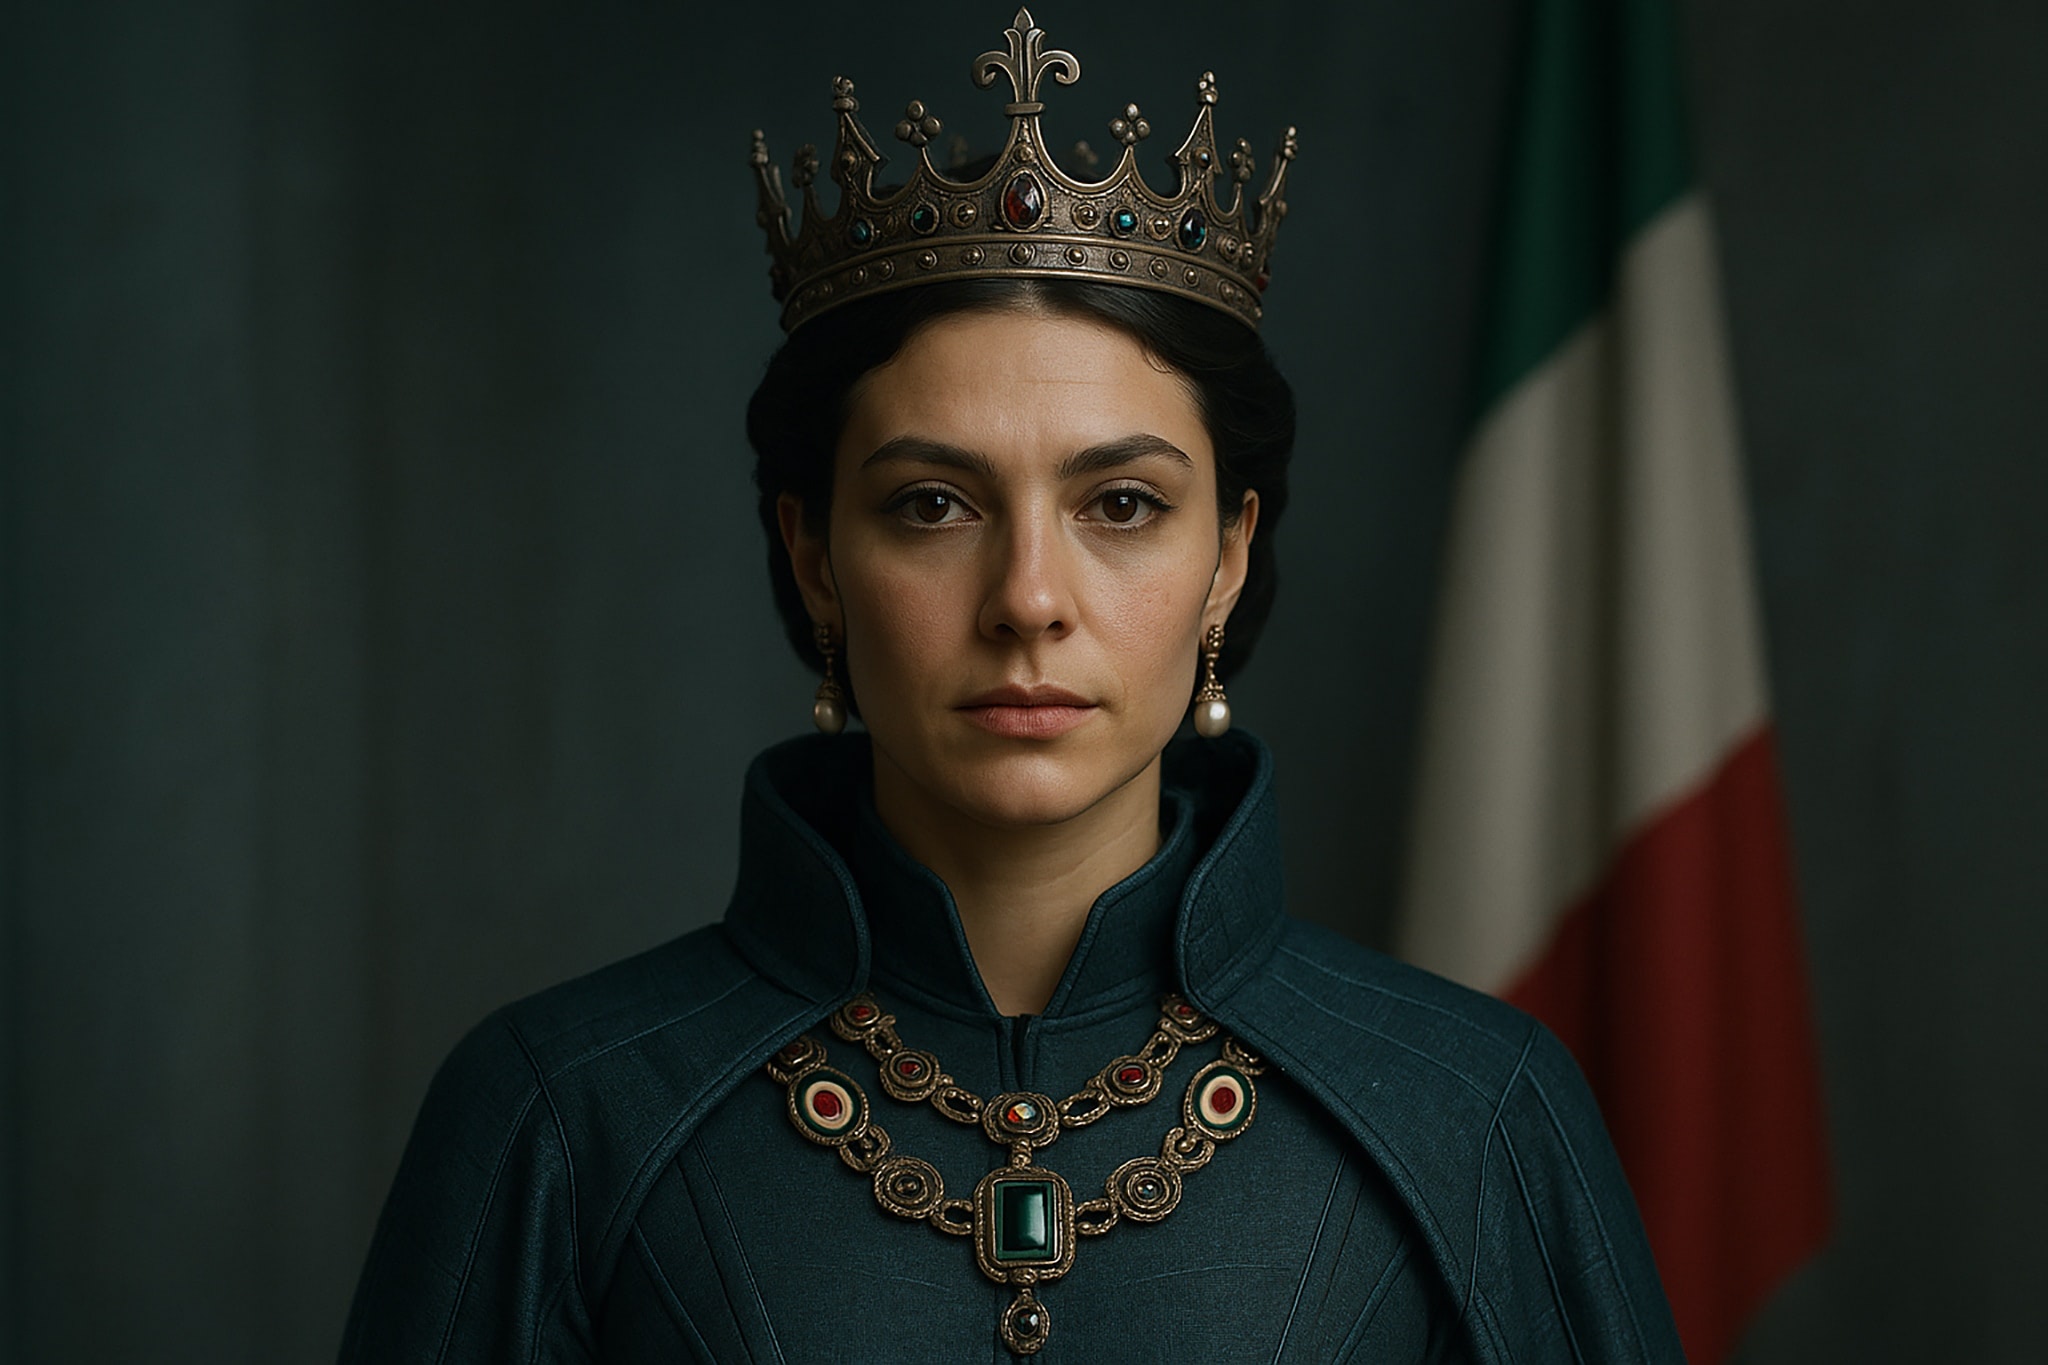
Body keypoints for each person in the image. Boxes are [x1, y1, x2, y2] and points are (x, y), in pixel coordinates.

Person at [339, 11, 1682, 1361]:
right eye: (933, 503)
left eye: (1120, 503)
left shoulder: (1477, 1111)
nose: (1029, 595)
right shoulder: (561, 1117)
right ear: (814, 556)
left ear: (1229, 556)